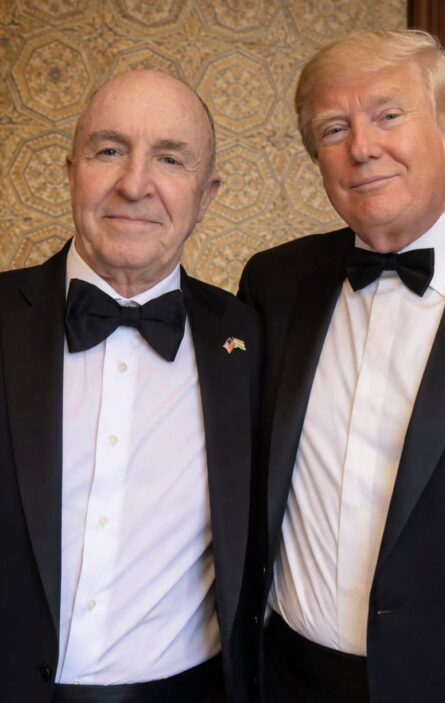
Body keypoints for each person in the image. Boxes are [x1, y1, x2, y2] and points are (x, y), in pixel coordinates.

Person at [239, 29, 445, 703]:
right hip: (287, 680)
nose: (362, 147)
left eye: (388, 115)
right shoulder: (273, 284)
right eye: (334, 128)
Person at [0, 69, 260, 703]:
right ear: (71, 172)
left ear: (207, 195)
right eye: (110, 150)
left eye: (169, 159)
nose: (135, 183)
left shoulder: (250, 342)